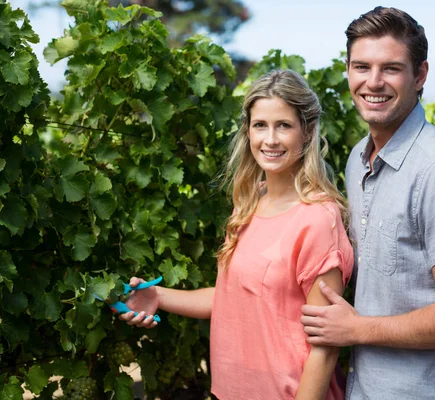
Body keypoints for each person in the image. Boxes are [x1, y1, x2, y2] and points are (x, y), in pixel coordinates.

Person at [120, 69, 354, 400]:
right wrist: (158, 296)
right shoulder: (250, 203)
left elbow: (325, 346)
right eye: (260, 125)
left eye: (283, 125)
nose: (269, 139)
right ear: (248, 131)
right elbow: (235, 297)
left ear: (307, 131)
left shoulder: (317, 219)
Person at [300, 7, 435, 400]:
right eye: (361, 66)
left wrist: (355, 330)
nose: (373, 82)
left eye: (391, 68)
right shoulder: (357, 159)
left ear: (419, 75)